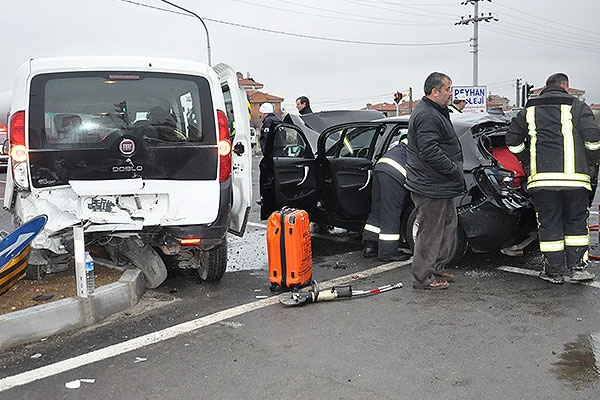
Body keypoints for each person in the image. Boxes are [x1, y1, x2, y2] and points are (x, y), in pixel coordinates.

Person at [505, 73, 600, 284]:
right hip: (576, 180)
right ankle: (577, 269)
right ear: (565, 85)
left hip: (543, 181)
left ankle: (553, 272)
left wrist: (527, 160)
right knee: (576, 223)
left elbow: (512, 140)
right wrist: (591, 162)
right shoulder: (576, 106)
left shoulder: (529, 110)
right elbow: (593, 138)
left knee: (549, 224)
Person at [405, 72, 466, 290]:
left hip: (440, 184)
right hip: (430, 184)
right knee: (430, 231)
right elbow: (429, 151)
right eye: (448, 89)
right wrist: (452, 169)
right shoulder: (428, 115)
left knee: (448, 226)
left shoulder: (436, 112)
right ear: (434, 91)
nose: (451, 93)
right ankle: (423, 278)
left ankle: (436, 267)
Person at [363, 139, 412, 262]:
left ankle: (370, 246)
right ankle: (388, 252)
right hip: (395, 173)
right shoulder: (429, 137)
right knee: (391, 212)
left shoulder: (410, 136)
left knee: (377, 209)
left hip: (381, 167)